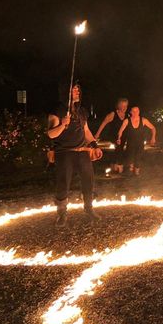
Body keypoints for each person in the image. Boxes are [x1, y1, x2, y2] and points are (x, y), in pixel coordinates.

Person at [47, 83, 103, 227]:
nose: (77, 92)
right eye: (73, 90)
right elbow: (51, 134)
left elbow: (86, 131)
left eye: (78, 89)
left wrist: (94, 145)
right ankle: (62, 213)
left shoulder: (82, 111)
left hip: (82, 152)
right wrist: (62, 124)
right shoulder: (57, 111)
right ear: (66, 92)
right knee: (63, 184)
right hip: (64, 153)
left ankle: (89, 209)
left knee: (88, 181)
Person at [117, 106, 156, 176]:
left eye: (137, 111)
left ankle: (136, 174)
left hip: (140, 144)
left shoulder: (143, 120)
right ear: (131, 112)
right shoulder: (127, 121)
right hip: (130, 144)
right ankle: (128, 171)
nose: (135, 113)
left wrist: (153, 138)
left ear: (139, 112)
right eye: (133, 111)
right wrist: (119, 138)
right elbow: (120, 131)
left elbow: (153, 128)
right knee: (130, 159)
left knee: (137, 159)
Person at [94, 98, 128, 173]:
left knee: (120, 149)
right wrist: (97, 134)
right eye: (123, 106)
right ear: (119, 106)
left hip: (123, 136)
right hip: (114, 136)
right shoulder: (113, 114)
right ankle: (118, 167)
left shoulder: (127, 115)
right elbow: (103, 123)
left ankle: (114, 165)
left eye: (126, 106)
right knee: (118, 148)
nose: (124, 108)